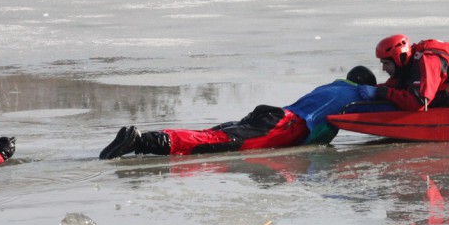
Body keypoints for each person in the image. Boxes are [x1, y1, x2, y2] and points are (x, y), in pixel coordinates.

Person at [99, 66, 390, 159]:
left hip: (273, 113)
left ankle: (146, 140)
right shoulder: (354, 95)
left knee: (213, 134)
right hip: (283, 126)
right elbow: (383, 110)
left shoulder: (332, 86)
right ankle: (141, 141)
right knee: (216, 144)